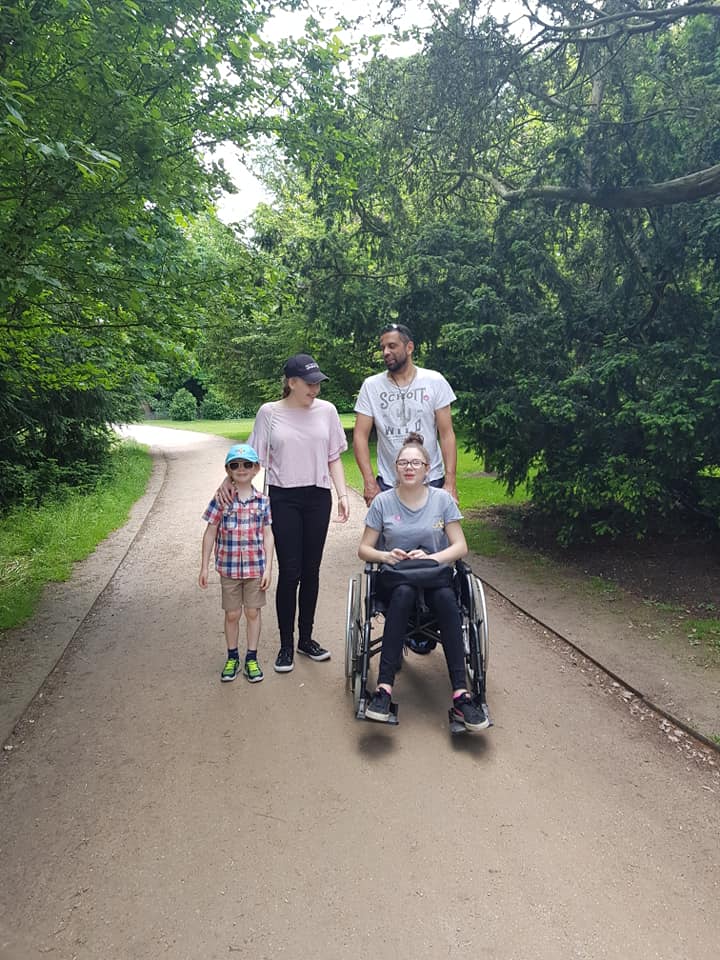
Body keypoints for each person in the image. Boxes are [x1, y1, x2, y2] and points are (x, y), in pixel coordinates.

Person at [218, 353, 350, 673]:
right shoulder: (270, 413)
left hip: (318, 497)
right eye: (309, 383)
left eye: (318, 383)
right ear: (291, 383)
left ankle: (306, 639)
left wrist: (343, 494)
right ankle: (286, 646)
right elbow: (252, 456)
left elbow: (333, 457)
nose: (315, 388)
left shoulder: (328, 411)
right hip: (284, 498)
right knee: (290, 571)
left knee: (312, 570)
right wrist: (228, 480)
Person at [357, 432, 489, 731]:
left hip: (435, 577)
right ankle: (383, 690)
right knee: (403, 594)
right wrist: (387, 555)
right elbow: (364, 549)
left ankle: (462, 694)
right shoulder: (383, 502)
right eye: (403, 462)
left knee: (445, 599)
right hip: (398, 579)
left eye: (416, 462)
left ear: (428, 468)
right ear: (395, 468)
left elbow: (460, 546)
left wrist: (433, 558)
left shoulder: (442, 500)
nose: (409, 467)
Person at [353, 322, 458, 506]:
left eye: (392, 346)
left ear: (409, 347)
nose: (385, 352)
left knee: (434, 534)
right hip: (389, 483)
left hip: (431, 479)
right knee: (390, 535)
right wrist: (369, 482)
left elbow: (447, 434)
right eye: (383, 347)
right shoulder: (371, 386)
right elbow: (360, 436)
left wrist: (450, 482)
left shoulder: (434, 381)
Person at [199, 443, 274, 683]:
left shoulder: (263, 502)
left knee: (253, 612)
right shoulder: (221, 500)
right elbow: (210, 532)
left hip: (255, 569)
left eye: (246, 465)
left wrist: (269, 568)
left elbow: (268, 534)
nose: (241, 469)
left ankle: (251, 657)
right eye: (235, 465)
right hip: (229, 569)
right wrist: (203, 566)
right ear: (228, 470)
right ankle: (232, 656)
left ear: (256, 469)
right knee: (232, 614)